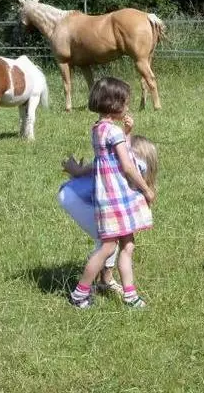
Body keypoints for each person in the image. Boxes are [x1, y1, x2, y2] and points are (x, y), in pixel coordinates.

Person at [68, 77, 156, 309]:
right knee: (109, 247)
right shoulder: (113, 132)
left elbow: (116, 155)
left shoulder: (99, 129)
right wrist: (146, 189)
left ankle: (130, 295)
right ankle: (79, 293)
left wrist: (127, 132)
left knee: (127, 245)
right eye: (125, 103)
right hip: (118, 198)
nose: (127, 107)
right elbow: (127, 165)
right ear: (114, 104)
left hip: (110, 198)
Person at [58, 134, 159, 297]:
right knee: (108, 239)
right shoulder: (131, 165)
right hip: (77, 197)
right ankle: (83, 290)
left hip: (73, 193)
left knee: (111, 235)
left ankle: (104, 280)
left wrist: (78, 171)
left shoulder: (118, 165)